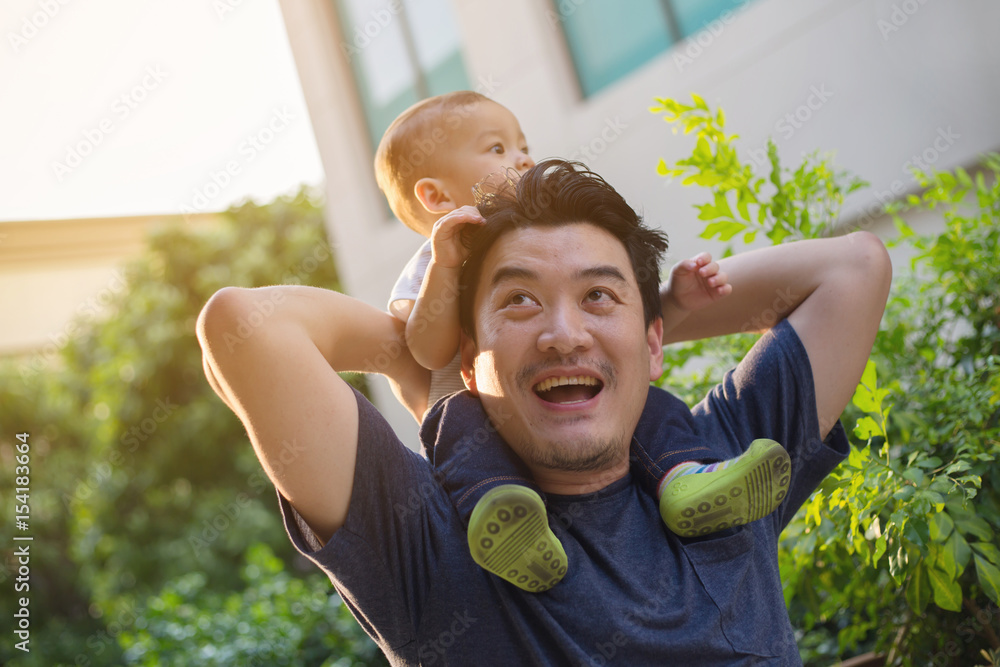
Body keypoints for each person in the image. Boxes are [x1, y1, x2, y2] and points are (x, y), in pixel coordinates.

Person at [196, 158, 892, 663]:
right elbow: (246, 326)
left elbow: (855, 268)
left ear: (653, 341)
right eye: (520, 300)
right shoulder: (424, 538)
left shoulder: (718, 471)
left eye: (598, 295)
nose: (564, 331)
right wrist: (434, 352)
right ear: (471, 361)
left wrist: (639, 330)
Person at [367, 91, 790, 591]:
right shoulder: (431, 262)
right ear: (437, 198)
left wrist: (674, 301)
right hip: (484, 421)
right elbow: (427, 351)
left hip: (560, 413)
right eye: (497, 149)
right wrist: (445, 265)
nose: (523, 158)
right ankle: (503, 517)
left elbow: (627, 342)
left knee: (647, 405)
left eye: (523, 145)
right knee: (456, 421)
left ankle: (684, 481)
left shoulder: (548, 246)